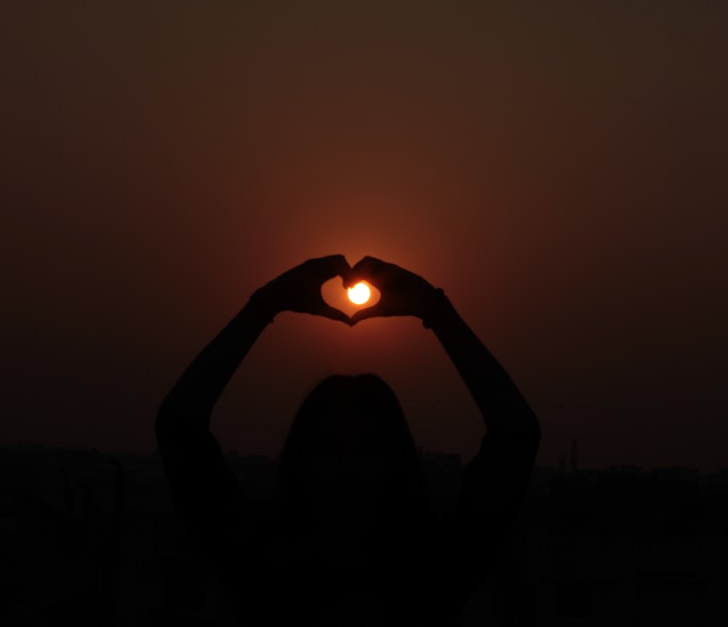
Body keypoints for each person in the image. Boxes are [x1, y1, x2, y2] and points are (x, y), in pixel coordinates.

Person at [155, 255, 541, 626]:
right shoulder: (264, 560)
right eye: (331, 447)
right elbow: (180, 429)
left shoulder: (427, 568)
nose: (347, 466)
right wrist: (264, 305)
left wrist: (437, 311)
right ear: (301, 456)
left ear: (395, 458)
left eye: (366, 448)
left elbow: (515, 438)